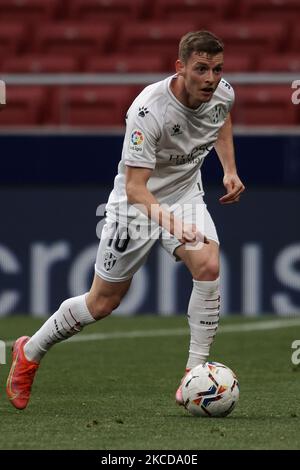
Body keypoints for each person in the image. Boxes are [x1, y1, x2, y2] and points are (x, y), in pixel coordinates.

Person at [6, 30, 245, 410]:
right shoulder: (148, 110)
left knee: (208, 262)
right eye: (201, 69)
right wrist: (171, 223)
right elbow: (136, 188)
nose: (211, 79)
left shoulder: (222, 93)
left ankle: (192, 373)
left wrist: (229, 169)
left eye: (217, 69)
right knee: (101, 303)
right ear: (180, 67)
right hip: (136, 205)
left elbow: (221, 119)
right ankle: (29, 352)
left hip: (185, 195)